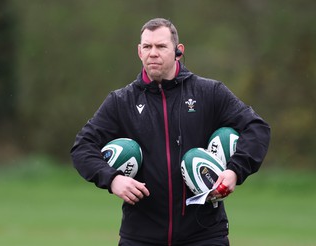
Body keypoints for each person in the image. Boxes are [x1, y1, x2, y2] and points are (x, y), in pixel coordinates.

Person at [71, 18, 270, 246]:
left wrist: (235, 171)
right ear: (139, 51)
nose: (153, 53)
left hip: (204, 234)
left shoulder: (209, 92)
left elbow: (257, 128)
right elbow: (82, 148)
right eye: (147, 47)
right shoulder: (121, 101)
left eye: (161, 46)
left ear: (178, 51)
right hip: (140, 236)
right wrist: (113, 179)